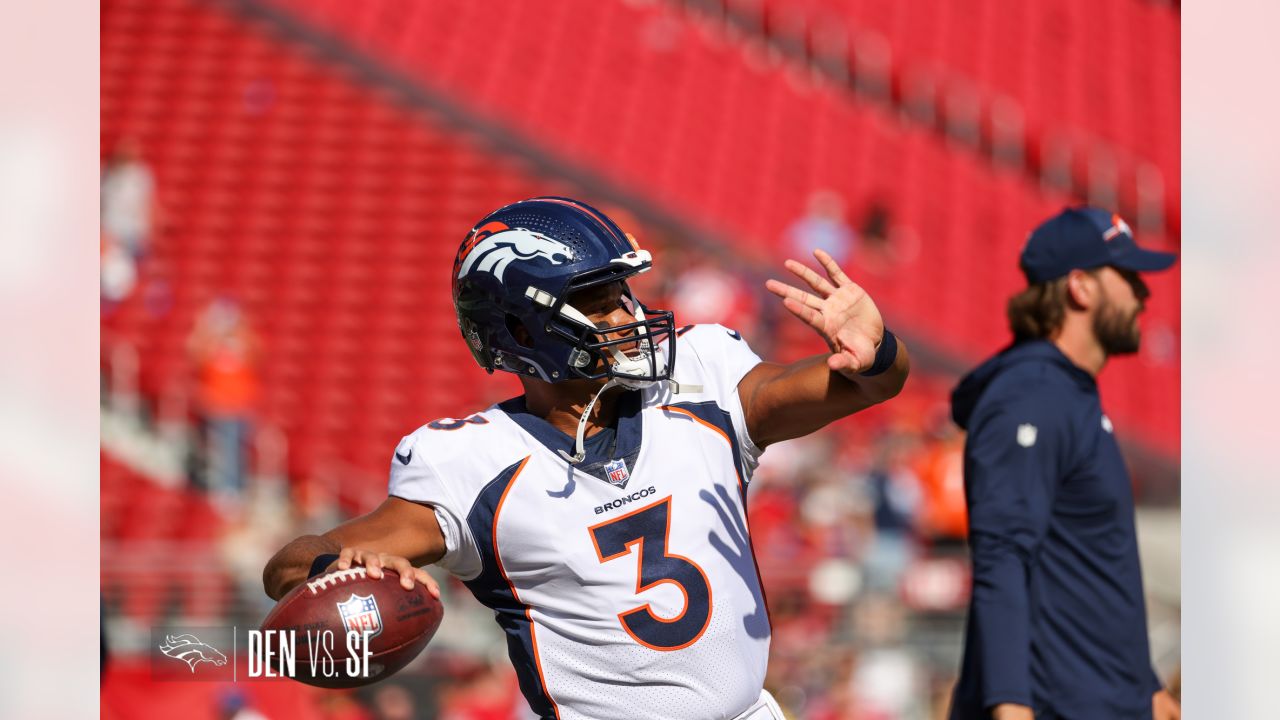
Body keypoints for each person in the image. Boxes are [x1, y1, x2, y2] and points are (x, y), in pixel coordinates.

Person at [263, 197, 910, 720]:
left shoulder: (701, 378)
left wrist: (877, 352)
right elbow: (290, 568)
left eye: (622, 292)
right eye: (597, 299)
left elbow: (867, 383)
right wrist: (335, 565)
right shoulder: (474, 461)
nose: (626, 310)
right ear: (522, 329)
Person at [947, 207, 1181, 720]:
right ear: (1081, 287)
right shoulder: (1031, 396)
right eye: (1128, 276)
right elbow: (1001, 557)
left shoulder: (1066, 394)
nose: (1143, 294)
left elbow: (1091, 564)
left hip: (1105, 699)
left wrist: (1145, 682)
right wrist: (1010, 707)